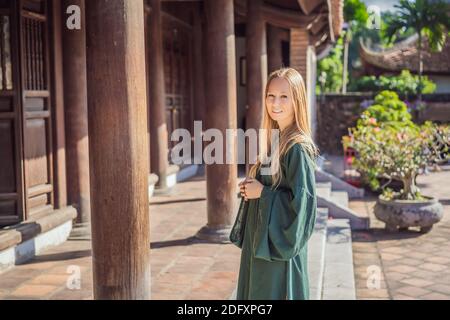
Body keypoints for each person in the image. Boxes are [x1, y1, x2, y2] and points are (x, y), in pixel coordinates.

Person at [230, 67, 318, 300]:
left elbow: (303, 207)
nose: (275, 103)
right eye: (271, 95)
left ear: (297, 100)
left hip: (278, 251)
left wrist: (263, 194)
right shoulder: (277, 140)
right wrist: (252, 188)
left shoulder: (297, 148)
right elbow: (273, 187)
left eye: (283, 96)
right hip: (260, 245)